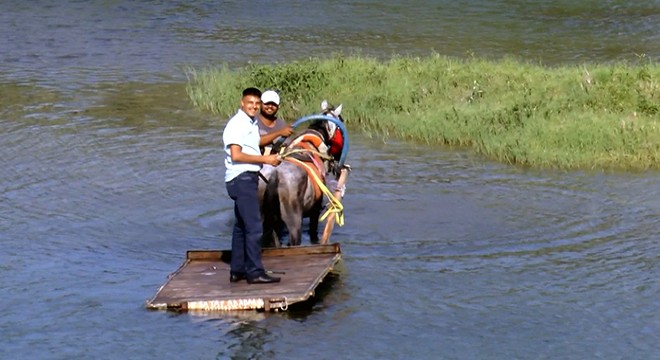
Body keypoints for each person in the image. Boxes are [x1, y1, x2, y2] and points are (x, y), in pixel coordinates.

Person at [223, 87, 282, 284]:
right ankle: (255, 272)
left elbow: (256, 142)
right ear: (242, 102)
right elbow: (236, 155)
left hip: (245, 177)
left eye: (257, 104)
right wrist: (266, 160)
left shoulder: (251, 122)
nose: (254, 107)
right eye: (250, 103)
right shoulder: (237, 124)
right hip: (241, 178)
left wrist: (278, 138)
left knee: (241, 226)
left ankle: (237, 270)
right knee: (255, 228)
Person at [256, 90, 293, 155]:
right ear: (260, 104)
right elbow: (255, 141)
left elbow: (286, 147)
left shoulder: (282, 125)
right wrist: (280, 133)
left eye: (273, 104)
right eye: (267, 103)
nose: (270, 106)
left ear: (278, 106)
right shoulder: (252, 121)